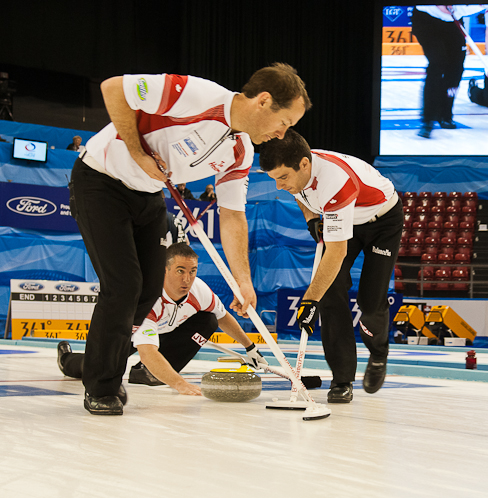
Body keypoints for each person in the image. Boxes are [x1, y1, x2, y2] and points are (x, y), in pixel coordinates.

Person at [68, 63, 310, 415]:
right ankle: (102, 385)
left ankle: (103, 368)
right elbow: (113, 88)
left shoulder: (241, 151)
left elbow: (232, 215)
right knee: (123, 285)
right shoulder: (196, 95)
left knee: (149, 289)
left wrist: (243, 280)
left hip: (149, 192)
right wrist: (138, 152)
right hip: (101, 180)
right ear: (263, 101)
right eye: (284, 122)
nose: (281, 133)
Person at [258, 129, 403, 404]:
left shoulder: (334, 181)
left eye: (283, 177)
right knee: (331, 293)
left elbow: (337, 252)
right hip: (344, 218)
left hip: (381, 222)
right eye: (274, 179)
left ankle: (379, 352)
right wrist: (312, 218)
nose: (279, 186)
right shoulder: (297, 173)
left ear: (304, 164)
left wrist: (309, 301)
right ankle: (342, 379)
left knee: (369, 302)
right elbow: (300, 194)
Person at [56, 243, 267, 399]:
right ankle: (66, 360)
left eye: (192, 272)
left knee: (209, 320)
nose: (187, 279)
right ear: (164, 270)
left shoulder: (199, 289)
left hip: (165, 331)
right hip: (129, 333)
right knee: (98, 367)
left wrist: (250, 347)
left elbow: (223, 317)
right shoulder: (148, 298)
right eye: (180, 271)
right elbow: (147, 353)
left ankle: (148, 374)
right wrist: (180, 384)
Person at [412, 4, 488, 138]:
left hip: (452, 22)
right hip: (426, 17)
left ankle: (445, 114)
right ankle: (428, 119)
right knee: (437, 63)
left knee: (456, 67)